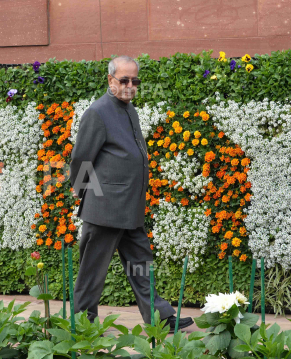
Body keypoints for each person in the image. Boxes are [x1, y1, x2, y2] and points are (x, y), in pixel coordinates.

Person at [69, 55, 194, 332]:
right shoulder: (98, 112)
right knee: (92, 272)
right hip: (105, 210)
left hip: (130, 208)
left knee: (141, 265)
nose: (129, 85)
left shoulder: (129, 109)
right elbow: (81, 159)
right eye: (123, 80)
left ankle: (160, 318)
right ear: (110, 80)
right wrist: (88, 199)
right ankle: (81, 325)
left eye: (134, 80)